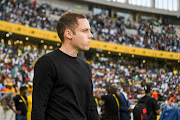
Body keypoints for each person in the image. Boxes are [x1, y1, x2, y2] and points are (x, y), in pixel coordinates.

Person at [31, 12, 99, 120]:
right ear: (69, 34)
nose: (91, 35)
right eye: (85, 31)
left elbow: (91, 106)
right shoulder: (47, 62)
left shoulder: (85, 67)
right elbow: (38, 107)